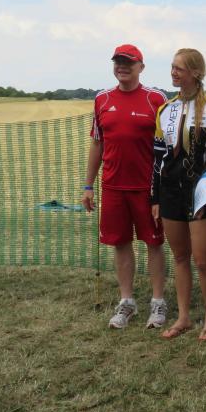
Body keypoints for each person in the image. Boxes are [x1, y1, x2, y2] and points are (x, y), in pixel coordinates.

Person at [82, 44, 168, 329]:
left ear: (141, 67)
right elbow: (97, 143)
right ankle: (127, 302)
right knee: (120, 243)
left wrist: (164, 188)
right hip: (113, 187)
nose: (122, 67)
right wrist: (88, 185)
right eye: (118, 62)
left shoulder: (156, 98)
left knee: (154, 242)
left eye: (129, 62)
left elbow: (168, 145)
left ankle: (158, 302)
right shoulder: (102, 99)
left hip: (147, 188)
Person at [152, 48, 206, 341]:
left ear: (195, 73)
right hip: (170, 192)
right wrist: (155, 198)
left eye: (179, 68)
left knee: (202, 260)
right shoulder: (164, 109)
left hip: (200, 192)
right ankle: (183, 317)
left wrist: (203, 197)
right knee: (180, 257)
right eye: (172, 67)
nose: (173, 72)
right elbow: (158, 159)